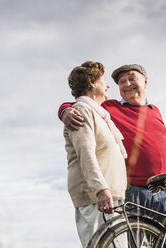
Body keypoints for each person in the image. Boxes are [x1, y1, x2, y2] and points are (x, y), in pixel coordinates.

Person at [59, 64, 166, 219]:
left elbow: (161, 149)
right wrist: (64, 110)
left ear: (145, 82)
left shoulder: (155, 111)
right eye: (122, 81)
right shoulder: (110, 107)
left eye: (131, 78)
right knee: (133, 241)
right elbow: (84, 103)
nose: (126, 84)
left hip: (162, 192)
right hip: (133, 190)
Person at [63, 61, 127, 247]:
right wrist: (101, 189)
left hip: (111, 196)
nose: (108, 85)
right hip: (95, 197)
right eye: (104, 80)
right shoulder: (81, 111)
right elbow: (86, 154)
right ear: (92, 82)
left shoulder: (100, 114)